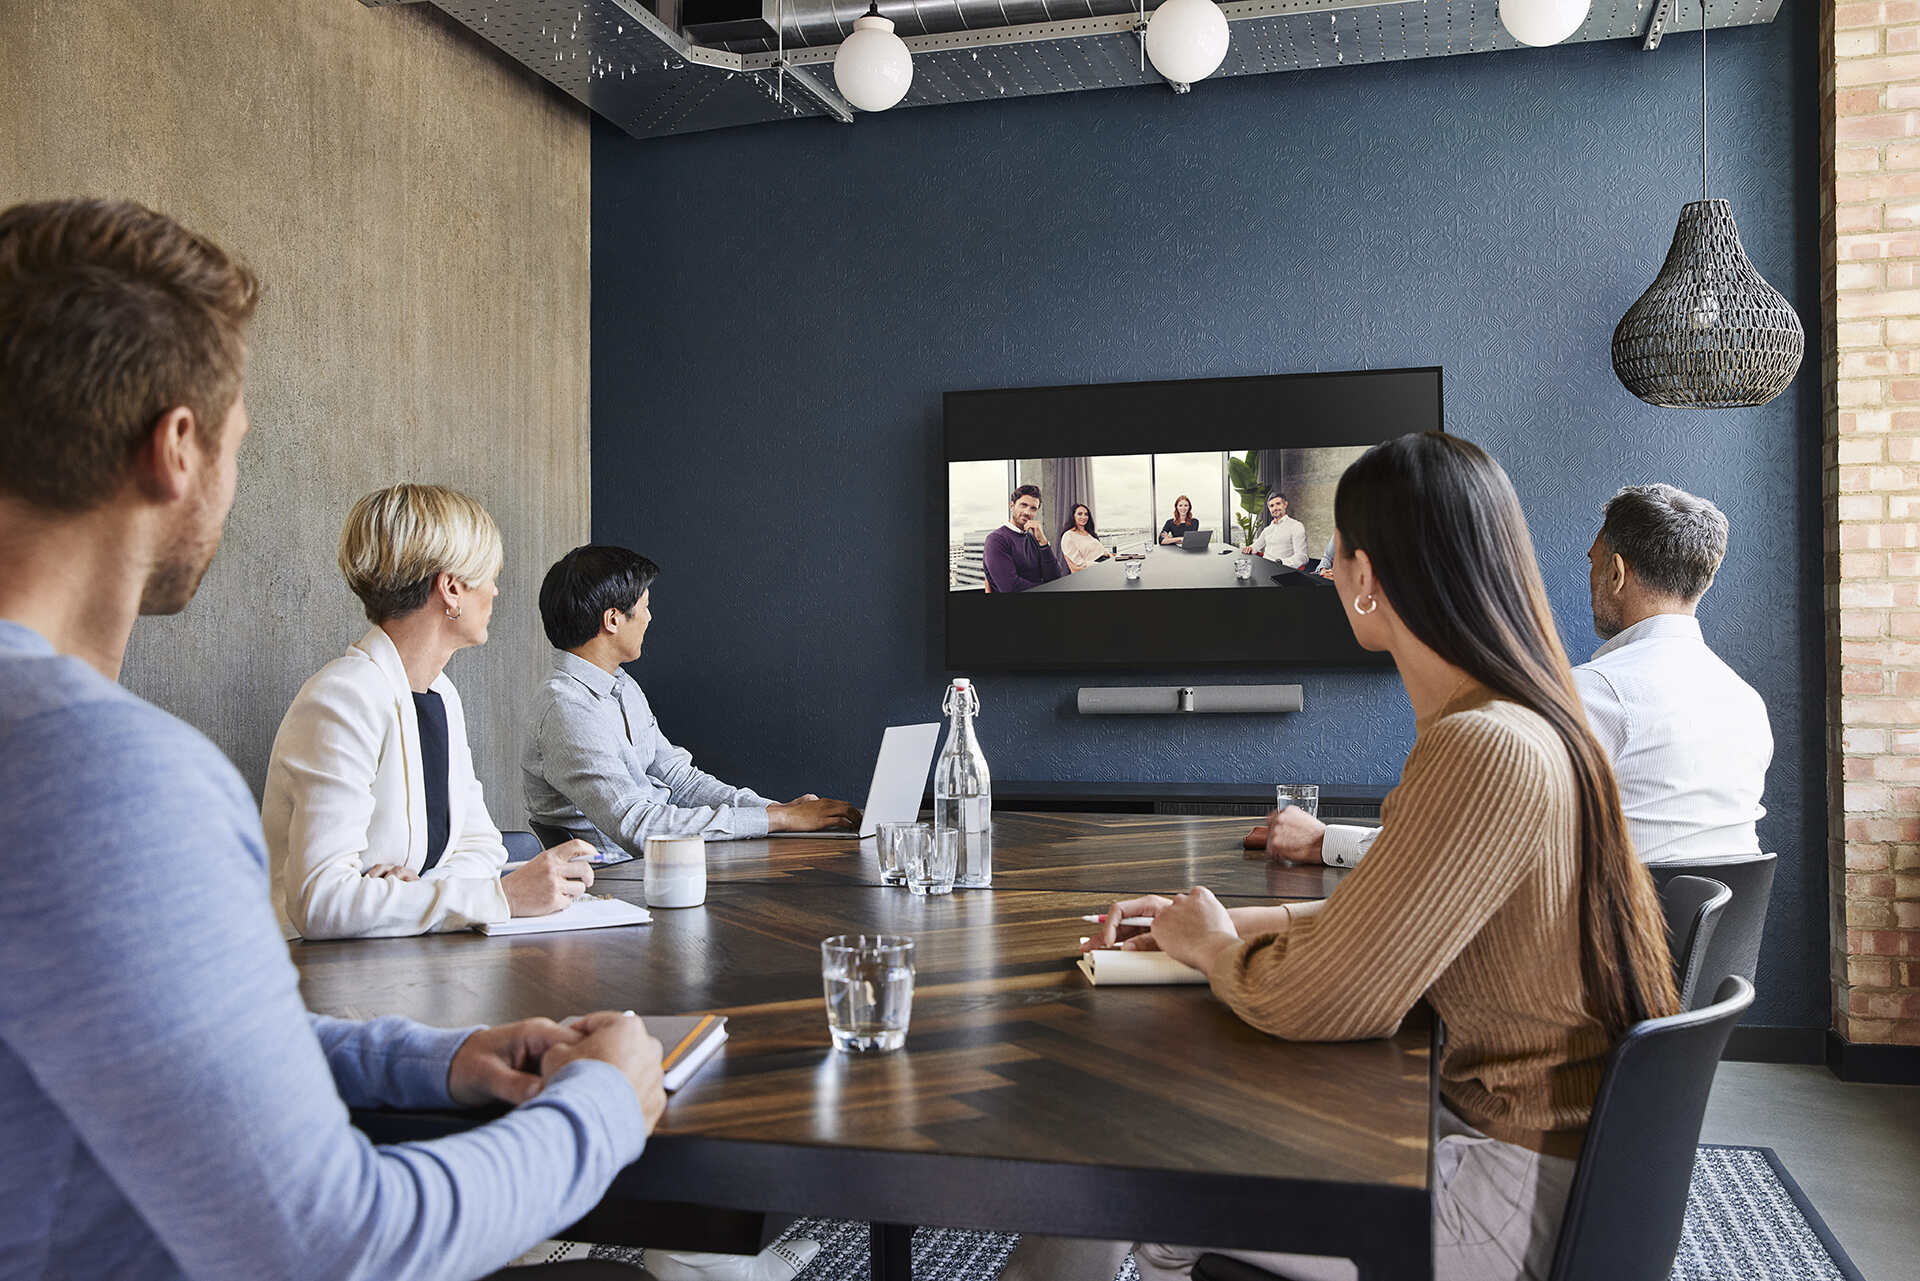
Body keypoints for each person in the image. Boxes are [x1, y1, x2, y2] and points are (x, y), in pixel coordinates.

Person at [0, 197, 662, 1280]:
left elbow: (183, 1043)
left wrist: (437, 1058)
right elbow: (335, 1244)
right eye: (236, 442)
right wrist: (602, 1106)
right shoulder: (103, 776)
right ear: (177, 448)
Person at [1004, 432, 1677, 1281]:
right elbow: (1403, 919)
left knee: (1133, 1163)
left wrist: (1216, 949)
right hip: (1526, 1162)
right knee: (1159, 1131)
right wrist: (1215, 919)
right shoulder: (1525, 723)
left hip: (1502, 1199)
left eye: (1333, 554)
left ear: (1364, 579)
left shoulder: (1483, 747)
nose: (1326, 572)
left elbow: (1331, 998)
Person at [1264, 483, 1772, 869]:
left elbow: (1473, 842)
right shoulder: (1746, 703)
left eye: (1593, 563)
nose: (1590, 576)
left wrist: (1323, 841)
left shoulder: (1597, 696)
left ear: (1617, 573)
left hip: (1586, 986)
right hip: (1691, 990)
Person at [262, 484, 598, 940]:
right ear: (452, 588)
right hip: (316, 976)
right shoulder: (344, 696)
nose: (496, 590)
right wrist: (499, 898)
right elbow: (321, 903)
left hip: (396, 964)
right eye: (489, 574)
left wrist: (418, 892)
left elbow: (481, 848)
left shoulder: (441, 694)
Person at [524, 544, 861, 851]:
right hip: (619, 882)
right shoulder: (566, 709)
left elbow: (681, 782)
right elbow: (638, 826)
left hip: (664, 867)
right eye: (644, 607)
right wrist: (780, 820)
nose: (650, 618)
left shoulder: (621, 686)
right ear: (613, 620)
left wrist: (777, 811)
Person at [983, 484, 1064, 592]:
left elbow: (1056, 578)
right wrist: (1048, 587)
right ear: (1012, 506)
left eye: (1033, 508)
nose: (1027, 512)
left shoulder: (1034, 538)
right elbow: (1011, 588)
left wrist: (1043, 542)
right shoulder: (996, 540)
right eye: (1023, 505)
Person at [1241, 492, 1308, 568]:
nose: (1275, 508)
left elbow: (1302, 556)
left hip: (1282, 569)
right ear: (1269, 509)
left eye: (1278, 504)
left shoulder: (1296, 526)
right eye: (1271, 506)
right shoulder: (1267, 529)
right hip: (1264, 567)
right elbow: (1256, 546)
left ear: (1285, 504)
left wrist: (1281, 562)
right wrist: (1249, 548)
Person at [1059, 503, 1108, 572]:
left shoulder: (1089, 533)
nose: (1084, 517)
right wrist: (1101, 566)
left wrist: (1112, 557)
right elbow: (1079, 564)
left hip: (1105, 562)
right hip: (1092, 569)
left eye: (1086, 514)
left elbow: (1102, 551)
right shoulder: (1068, 536)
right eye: (1080, 514)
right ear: (1073, 516)